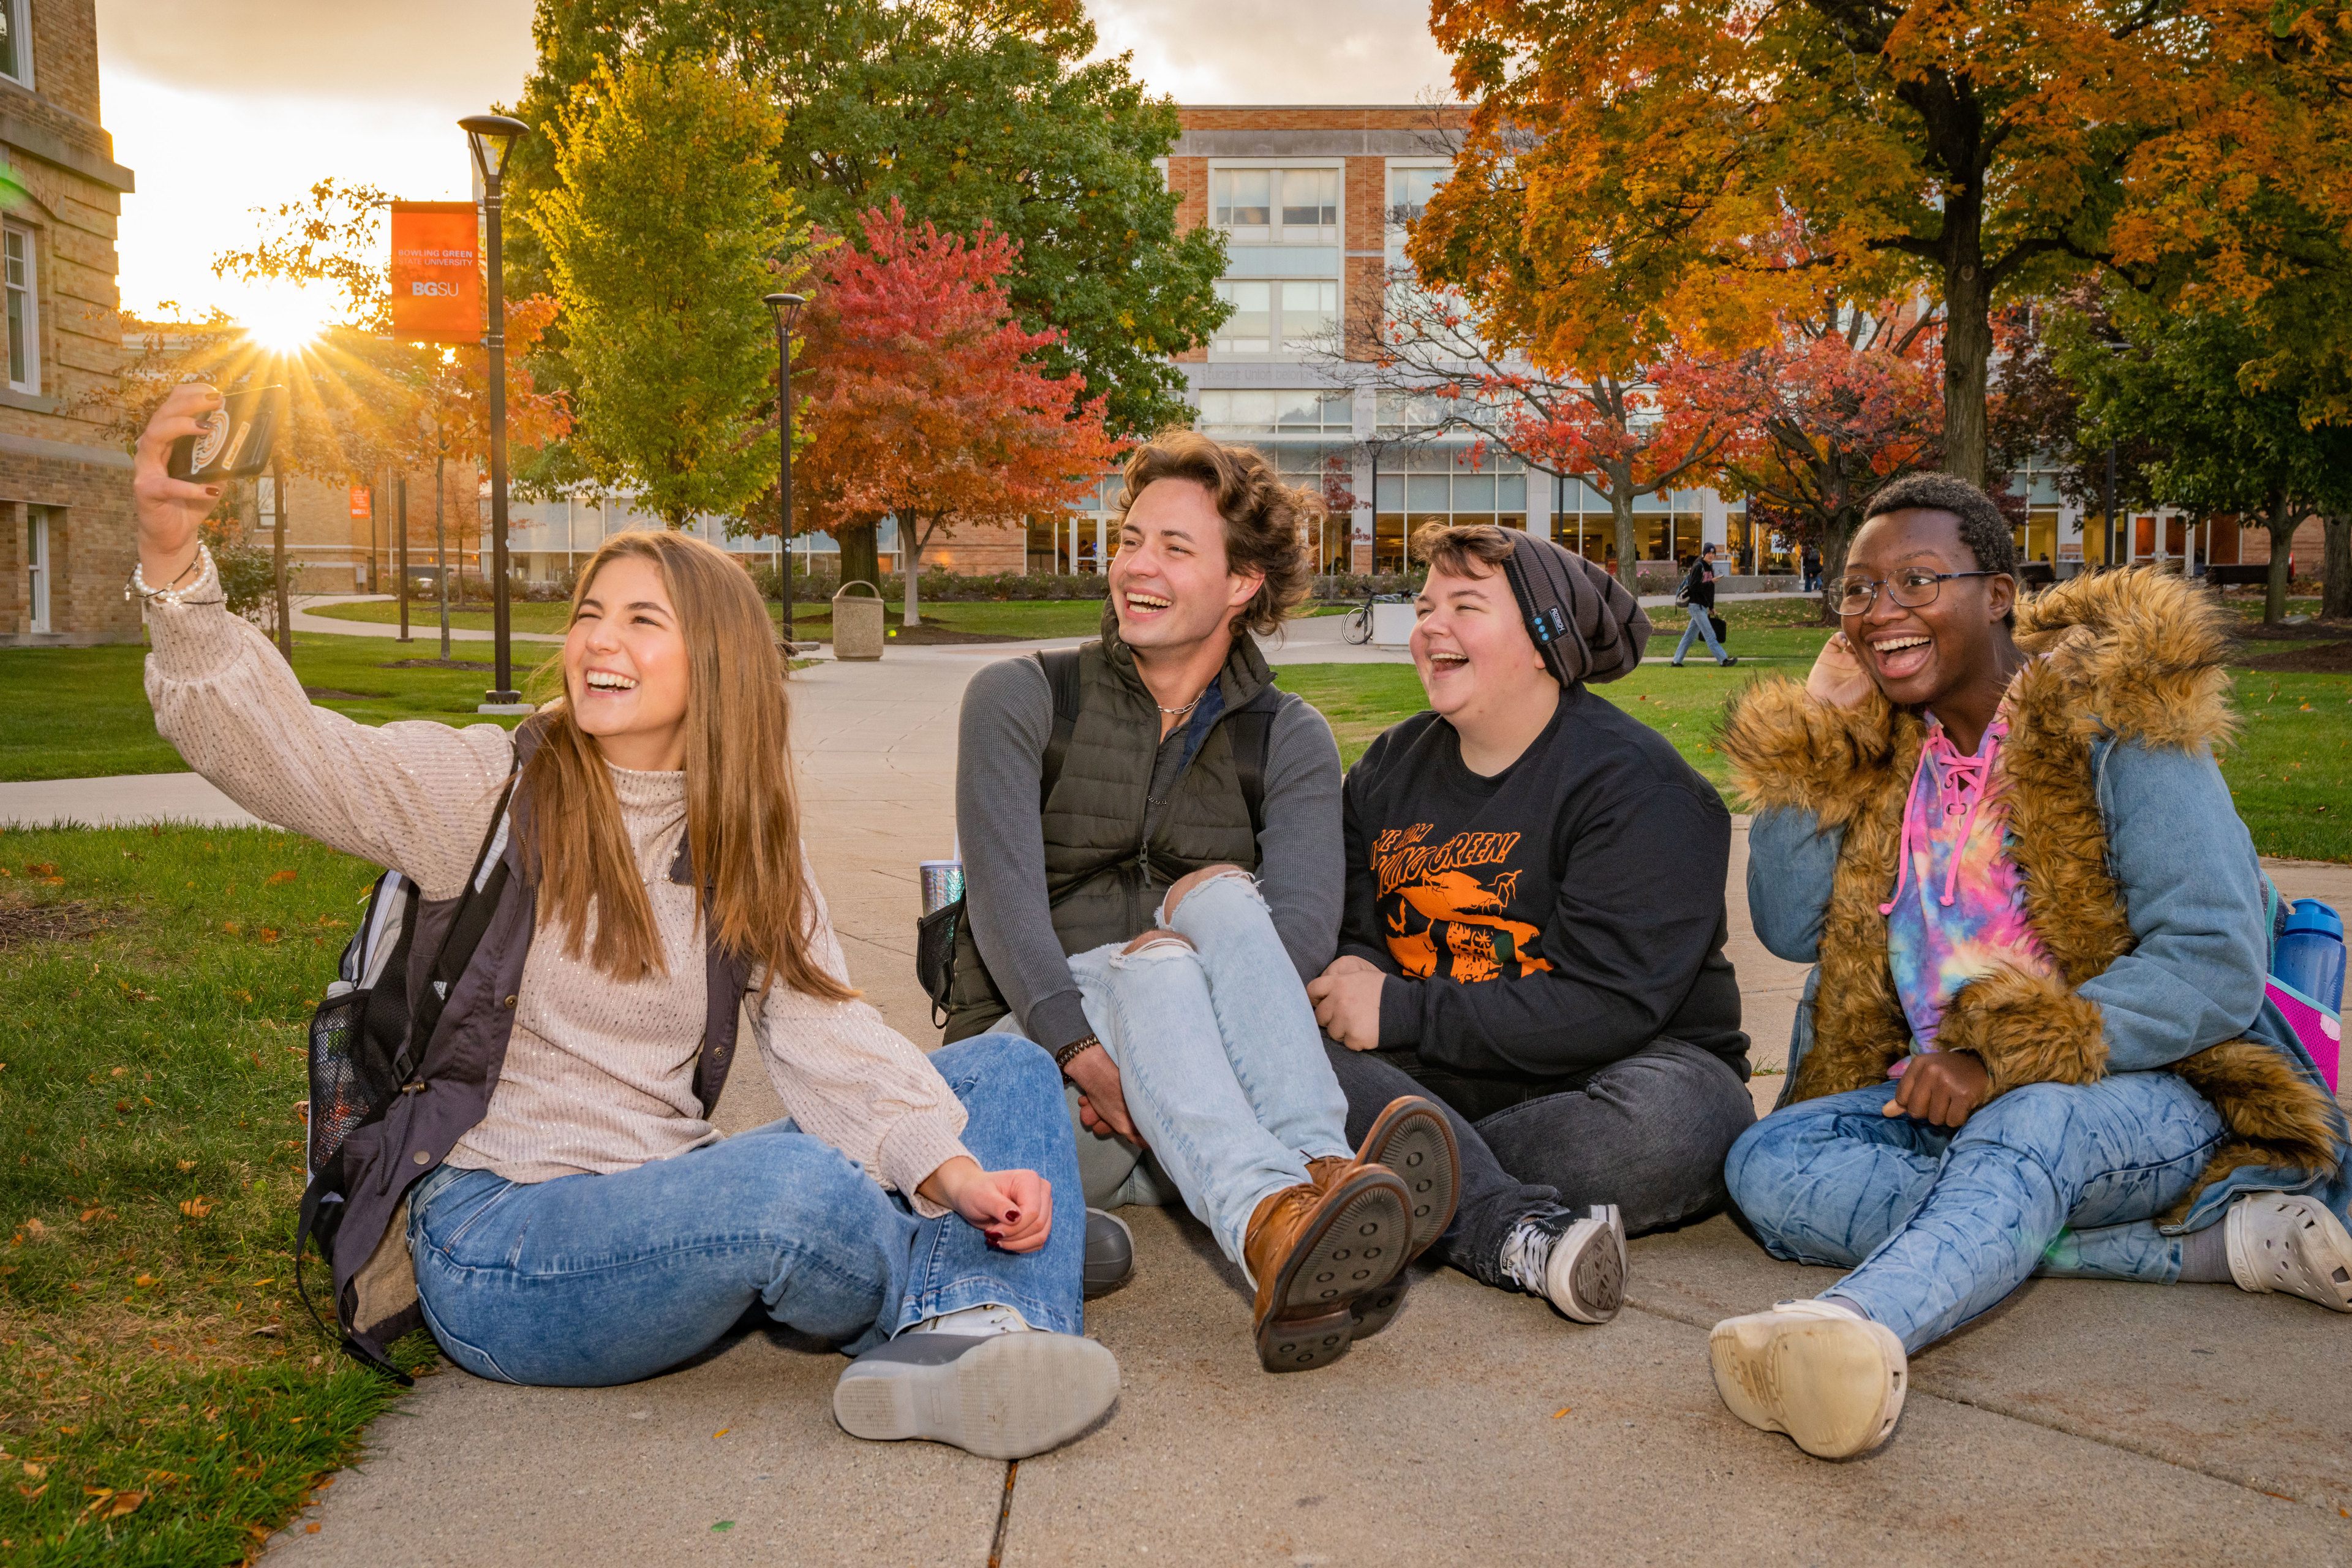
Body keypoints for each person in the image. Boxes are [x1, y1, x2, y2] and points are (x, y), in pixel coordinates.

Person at [129, 385, 1119, 1461]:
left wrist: (954, 1171)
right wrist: (175, 570)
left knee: (1006, 1071)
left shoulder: (743, 838)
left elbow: (826, 1032)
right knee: (795, 1193)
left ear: (717, 663)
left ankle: (972, 1316)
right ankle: (989, 1286)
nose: (600, 640)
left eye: (644, 621)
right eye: (591, 614)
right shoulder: (491, 795)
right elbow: (291, 757)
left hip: (667, 1195)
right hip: (505, 1243)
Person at [1713, 472, 2352, 1461]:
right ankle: (2210, 1249)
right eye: (1859, 590)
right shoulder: (1890, 748)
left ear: (1999, 594)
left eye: (1918, 580)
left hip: (2152, 1089)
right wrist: (1816, 733)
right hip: (1932, 1098)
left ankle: (1857, 1328)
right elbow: (1790, 924)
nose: (1880, 611)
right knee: (1766, 1164)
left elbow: (2211, 962)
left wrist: (1999, 1060)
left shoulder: (2116, 723)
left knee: (2029, 1123)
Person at [949, 432, 1459, 1373]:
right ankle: (1281, 1205)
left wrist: (1173, 999)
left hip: (1201, 1095)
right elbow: (1004, 910)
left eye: (1174, 548)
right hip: (1046, 1086)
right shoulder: (1021, 698)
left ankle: (1312, 1188)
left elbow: (1297, 937)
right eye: (1130, 540)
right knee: (1164, 960)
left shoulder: (1290, 736)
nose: (1135, 566)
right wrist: (1087, 1055)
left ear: (1242, 583)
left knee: (1221, 906)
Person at [1307, 524, 1756, 1324]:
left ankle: (1382, 1180)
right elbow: (1357, 936)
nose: (1431, 627)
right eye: (1425, 607)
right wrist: (1359, 974)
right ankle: (1493, 1215)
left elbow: (1607, 1003)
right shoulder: (1384, 770)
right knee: (1288, 1050)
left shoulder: (1642, 788)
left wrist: (1400, 1010)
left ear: (1547, 642)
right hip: (1434, 1071)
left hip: (1610, 1073)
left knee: (1682, 1126)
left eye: (1466, 606)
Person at [1671, 541, 1737, 667]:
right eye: (1708, 553)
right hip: (1696, 606)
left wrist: (1711, 607)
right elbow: (1694, 587)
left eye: (1713, 553)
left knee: (1689, 636)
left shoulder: (1709, 567)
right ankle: (1723, 660)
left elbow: (1710, 590)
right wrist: (1711, 582)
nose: (1711, 555)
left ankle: (1676, 661)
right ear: (1704, 554)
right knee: (1710, 635)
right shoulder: (1698, 567)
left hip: (1703, 607)